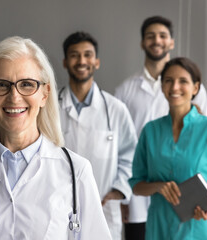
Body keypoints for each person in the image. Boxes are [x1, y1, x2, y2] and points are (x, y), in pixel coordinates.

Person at [0, 36, 112, 240]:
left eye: (26, 84)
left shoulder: (76, 171)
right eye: (1, 85)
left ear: (44, 93)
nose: (14, 96)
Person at [114, 16, 207, 240]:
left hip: (182, 189)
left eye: (162, 36)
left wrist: (202, 195)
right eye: (150, 36)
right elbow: (119, 145)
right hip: (140, 191)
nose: (156, 40)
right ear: (142, 43)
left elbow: (203, 141)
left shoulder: (193, 88)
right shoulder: (125, 90)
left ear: (171, 42)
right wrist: (123, 194)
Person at [129, 57, 207, 239]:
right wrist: (159, 186)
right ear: (162, 86)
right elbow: (136, 185)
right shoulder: (150, 131)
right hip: (159, 229)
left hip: (199, 229)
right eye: (169, 81)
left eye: (183, 81)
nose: (174, 87)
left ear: (195, 88)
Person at [59, 31, 137, 240]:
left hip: (104, 208)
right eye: (74, 55)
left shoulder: (115, 109)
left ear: (97, 62)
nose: (82, 60)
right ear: (65, 62)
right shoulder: (49, 109)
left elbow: (131, 155)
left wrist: (118, 190)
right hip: (58, 205)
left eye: (87, 55)